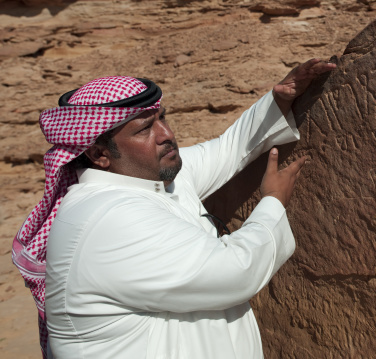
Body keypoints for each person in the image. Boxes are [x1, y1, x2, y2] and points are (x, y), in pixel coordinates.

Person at [12, 58, 336, 358]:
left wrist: (279, 99)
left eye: (162, 118)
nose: (166, 134)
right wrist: (272, 202)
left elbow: (226, 150)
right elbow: (236, 270)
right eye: (144, 129)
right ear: (99, 153)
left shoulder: (150, 176)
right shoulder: (106, 218)